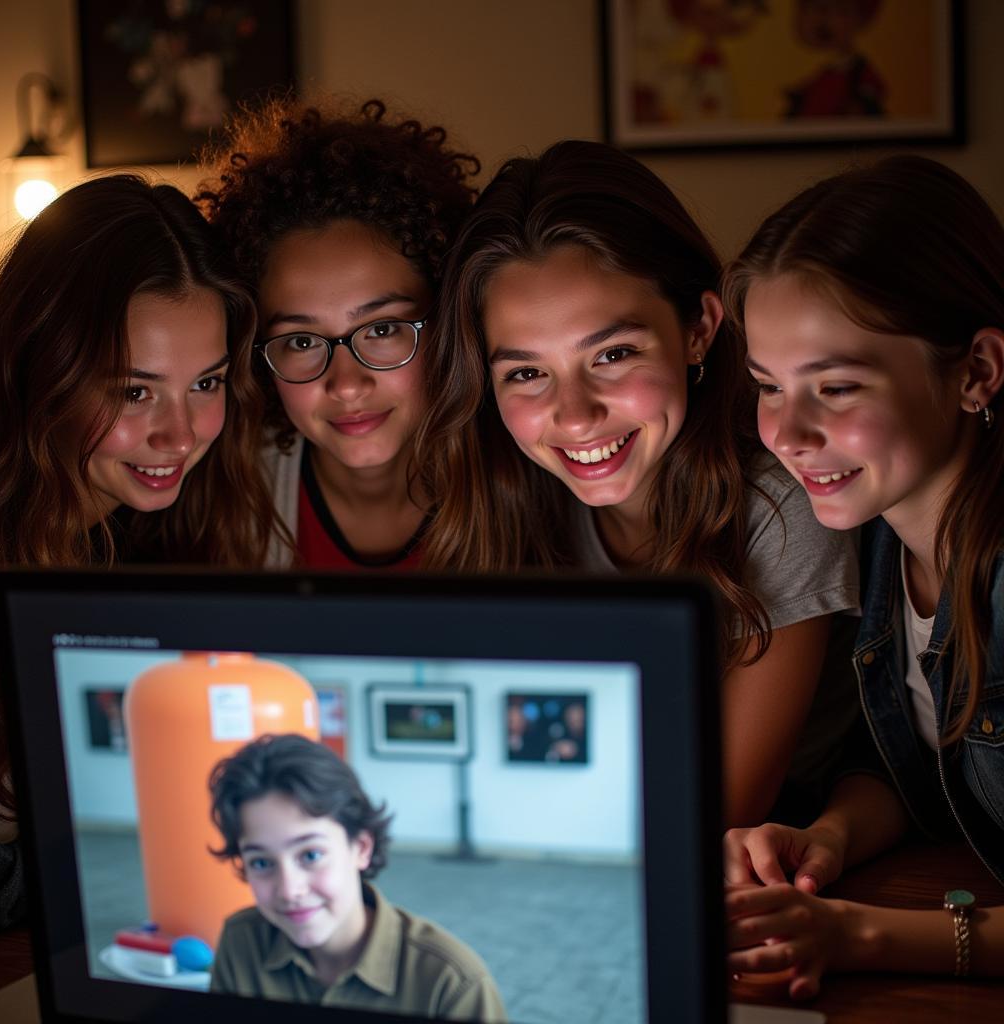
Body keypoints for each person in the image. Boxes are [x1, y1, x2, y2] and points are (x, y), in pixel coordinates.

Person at [415, 140, 860, 828]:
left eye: (613, 354)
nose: (575, 414)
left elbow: (718, 811)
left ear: (698, 329)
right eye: (526, 373)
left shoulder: (779, 500)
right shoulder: (504, 499)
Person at [721, 155, 1004, 994]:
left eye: (836, 387)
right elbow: (917, 763)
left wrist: (856, 934)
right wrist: (833, 836)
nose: (788, 433)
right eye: (768, 386)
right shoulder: (881, 539)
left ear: (977, 372)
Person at [0, 174, 274, 931]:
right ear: (44, 370)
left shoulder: (165, 530)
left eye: (204, 383)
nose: (180, 434)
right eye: (134, 391)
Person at [196, 97, 479, 569]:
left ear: (447, 318)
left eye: (383, 328)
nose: (347, 384)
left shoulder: (530, 476)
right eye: (302, 342)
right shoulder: (219, 497)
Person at [208, 733, 506, 1020]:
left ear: (361, 848)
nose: (289, 890)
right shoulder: (242, 942)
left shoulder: (451, 983)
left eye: (311, 855)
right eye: (261, 862)